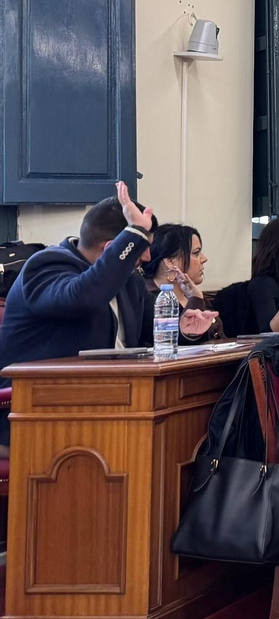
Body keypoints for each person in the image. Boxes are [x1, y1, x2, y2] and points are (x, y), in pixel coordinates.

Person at [0, 183, 214, 450]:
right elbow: (84, 298)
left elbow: (154, 333)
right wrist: (133, 235)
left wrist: (186, 331)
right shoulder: (46, 266)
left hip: (114, 404)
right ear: (113, 248)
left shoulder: (130, 281)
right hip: (38, 414)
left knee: (175, 440)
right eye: (142, 247)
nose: (148, 257)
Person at [141, 223, 222, 340]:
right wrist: (195, 300)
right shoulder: (151, 301)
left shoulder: (193, 295)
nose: (204, 259)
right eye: (196, 253)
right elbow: (172, 341)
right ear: (171, 262)